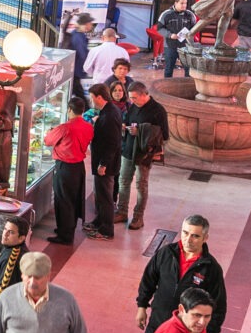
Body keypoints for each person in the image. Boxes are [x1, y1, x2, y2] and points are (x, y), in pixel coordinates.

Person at [134, 215, 227, 333]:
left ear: (205, 238)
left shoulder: (211, 268)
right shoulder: (166, 253)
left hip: (186, 332)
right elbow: (148, 280)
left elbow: (218, 305)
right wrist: (142, 306)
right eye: (185, 233)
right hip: (157, 323)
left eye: (195, 236)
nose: (188, 240)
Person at [41, 94, 93, 244]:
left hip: (64, 167)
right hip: (78, 167)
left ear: (69, 109)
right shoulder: (88, 126)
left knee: (63, 199)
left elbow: (47, 141)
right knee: (73, 199)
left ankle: (65, 235)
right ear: (82, 110)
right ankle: (67, 228)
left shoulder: (65, 127)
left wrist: (52, 131)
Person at [120, 79, 167, 230]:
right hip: (128, 149)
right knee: (124, 181)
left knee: (141, 185)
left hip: (144, 154)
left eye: (134, 98)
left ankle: (138, 216)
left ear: (143, 95)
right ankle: (121, 211)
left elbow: (164, 134)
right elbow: (128, 120)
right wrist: (124, 127)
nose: (132, 101)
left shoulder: (158, 110)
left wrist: (141, 131)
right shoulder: (133, 106)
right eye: (130, 98)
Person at [85, 82, 124, 239]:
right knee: (100, 195)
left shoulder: (109, 116)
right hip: (103, 161)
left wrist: (103, 164)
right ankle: (99, 222)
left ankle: (106, 230)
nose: (91, 100)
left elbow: (112, 143)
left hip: (106, 164)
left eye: (93, 98)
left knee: (105, 197)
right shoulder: (108, 111)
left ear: (99, 97)